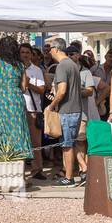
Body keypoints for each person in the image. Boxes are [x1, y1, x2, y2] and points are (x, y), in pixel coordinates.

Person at [0, 36, 32, 165]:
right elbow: (23, 88)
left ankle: (2, 172)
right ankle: (20, 176)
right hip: (15, 100)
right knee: (17, 134)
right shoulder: (20, 65)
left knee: (0, 132)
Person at [46, 38, 85, 186]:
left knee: (67, 146)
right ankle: (83, 170)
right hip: (74, 109)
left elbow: (61, 91)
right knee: (70, 144)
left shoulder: (63, 65)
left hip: (67, 111)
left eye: (49, 49)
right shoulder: (72, 64)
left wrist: (51, 105)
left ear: (56, 49)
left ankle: (68, 178)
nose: (48, 52)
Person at [20, 43, 46, 178]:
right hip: (17, 110)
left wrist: (28, 83)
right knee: (19, 141)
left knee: (36, 142)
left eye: (27, 52)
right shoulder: (14, 68)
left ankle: (37, 169)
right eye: (22, 52)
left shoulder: (37, 70)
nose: (25, 55)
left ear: (31, 54)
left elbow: (42, 89)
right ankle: (19, 171)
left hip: (33, 110)